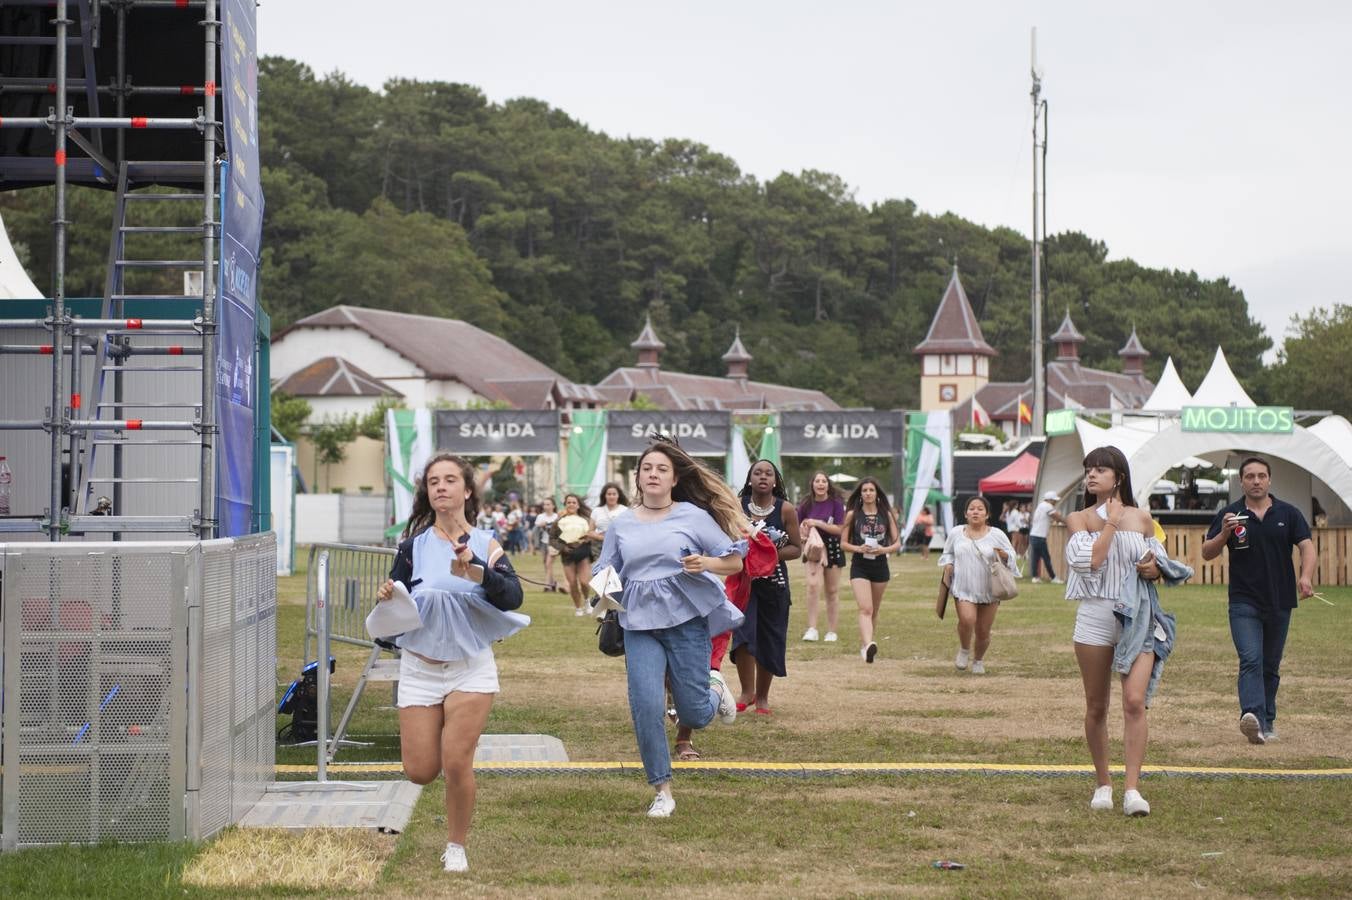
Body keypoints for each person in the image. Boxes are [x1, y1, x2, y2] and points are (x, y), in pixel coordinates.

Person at [375, 453, 528, 872]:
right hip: (420, 667)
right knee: (420, 771)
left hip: (470, 667)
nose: (440, 487)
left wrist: (477, 572)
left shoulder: (486, 544)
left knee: (457, 761)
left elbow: (513, 597)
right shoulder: (412, 547)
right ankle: (437, 746)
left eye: (448, 480)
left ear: (466, 490)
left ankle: (456, 847)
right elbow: (398, 603)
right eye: (432, 482)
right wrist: (387, 596)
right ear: (427, 492)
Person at [592, 436, 745, 817]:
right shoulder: (621, 523)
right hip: (638, 624)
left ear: (674, 479)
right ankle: (662, 790)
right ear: (638, 478)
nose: (654, 474)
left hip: (685, 621)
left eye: (662, 469)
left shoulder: (693, 516)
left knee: (693, 714)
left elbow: (734, 562)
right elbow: (602, 568)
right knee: (646, 706)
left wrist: (705, 564)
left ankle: (713, 686)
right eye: (647, 469)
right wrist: (604, 589)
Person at [1063, 445, 1166, 817]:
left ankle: (1132, 789)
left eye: (1100, 469)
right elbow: (1089, 562)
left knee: (1135, 701)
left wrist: (1155, 570)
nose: (1091, 475)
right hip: (1094, 614)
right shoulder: (1079, 517)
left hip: (1137, 617)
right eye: (1088, 468)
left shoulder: (1143, 517)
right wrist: (1109, 521)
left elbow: (1160, 563)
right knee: (1096, 705)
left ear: (1118, 476)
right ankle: (1103, 782)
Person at [1201, 456, 1316, 744]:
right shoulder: (1231, 514)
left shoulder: (1288, 513)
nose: (1256, 481)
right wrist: (1224, 532)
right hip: (1243, 601)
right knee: (1251, 659)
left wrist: (1306, 577)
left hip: (1281, 599)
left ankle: (1267, 721)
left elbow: (1307, 547)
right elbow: (1206, 552)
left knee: (1270, 665)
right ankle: (1251, 716)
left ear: (1269, 480)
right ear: (1241, 481)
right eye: (1250, 476)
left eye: (1261, 476)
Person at [731, 459, 801, 714]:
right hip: (743, 581)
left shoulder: (786, 510)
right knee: (742, 634)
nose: (763, 477)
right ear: (750, 478)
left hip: (775, 584)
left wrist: (766, 555)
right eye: (757, 473)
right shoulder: (737, 508)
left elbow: (796, 549)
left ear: (775, 480)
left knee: (770, 638)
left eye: (768, 473)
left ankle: (762, 698)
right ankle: (746, 692)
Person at [939, 496, 1019, 674]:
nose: (975, 511)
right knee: (967, 620)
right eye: (972, 509)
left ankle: (978, 660)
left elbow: (1012, 555)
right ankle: (964, 649)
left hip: (990, 589)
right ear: (966, 513)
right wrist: (948, 564)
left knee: (983, 631)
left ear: (987, 514)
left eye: (980, 509)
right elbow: (947, 554)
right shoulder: (956, 533)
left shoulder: (997, 534)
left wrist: (1005, 556)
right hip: (963, 586)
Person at [840, 477, 901, 663]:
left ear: (877, 494)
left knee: (873, 610)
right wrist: (858, 548)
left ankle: (865, 646)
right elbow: (843, 543)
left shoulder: (886, 514)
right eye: (864, 490)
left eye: (871, 490)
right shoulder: (852, 515)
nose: (867, 493)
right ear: (860, 494)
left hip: (880, 565)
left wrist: (883, 549)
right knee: (865, 608)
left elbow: (897, 543)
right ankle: (868, 645)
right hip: (860, 565)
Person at [797, 471, 847, 642]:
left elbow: (840, 529)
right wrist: (803, 532)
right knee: (812, 587)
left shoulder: (836, 503)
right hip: (813, 550)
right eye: (817, 481)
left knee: (832, 591)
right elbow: (797, 526)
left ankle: (832, 631)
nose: (820, 484)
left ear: (828, 484)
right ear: (812, 484)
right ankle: (812, 628)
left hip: (833, 548)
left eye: (823, 481)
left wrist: (818, 523)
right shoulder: (805, 504)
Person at [551, 493, 597, 615]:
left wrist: (587, 538)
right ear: (565, 505)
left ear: (578, 505)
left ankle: (587, 601)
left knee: (584, 582)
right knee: (572, 583)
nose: (571, 504)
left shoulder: (585, 520)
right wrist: (562, 547)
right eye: (569, 502)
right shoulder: (559, 521)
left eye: (573, 502)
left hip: (583, 552)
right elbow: (552, 539)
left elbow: (592, 535)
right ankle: (578, 608)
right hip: (567, 554)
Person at [1029, 490, 1065, 583]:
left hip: (1034, 535)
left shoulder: (1041, 505)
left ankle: (1035, 577)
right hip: (1040, 536)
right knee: (1046, 558)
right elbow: (1057, 516)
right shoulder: (1048, 506)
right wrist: (1067, 522)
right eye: (1054, 500)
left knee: (1035, 557)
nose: (1055, 502)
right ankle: (1053, 578)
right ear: (1050, 500)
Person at [535, 496, 561, 592]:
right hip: (543, 542)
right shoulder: (540, 516)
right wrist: (540, 524)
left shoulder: (556, 516)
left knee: (548, 563)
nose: (546, 506)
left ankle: (547, 586)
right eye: (544, 504)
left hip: (554, 543)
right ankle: (553, 583)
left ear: (553, 506)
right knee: (546, 564)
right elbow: (536, 528)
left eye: (548, 504)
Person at [1006, 501, 1028, 574]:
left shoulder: (1009, 511)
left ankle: (1013, 555)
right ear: (1016, 505)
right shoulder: (1015, 512)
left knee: (1014, 542)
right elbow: (1017, 521)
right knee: (1016, 542)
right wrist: (1020, 527)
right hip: (1016, 528)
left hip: (1010, 528)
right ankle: (1014, 555)